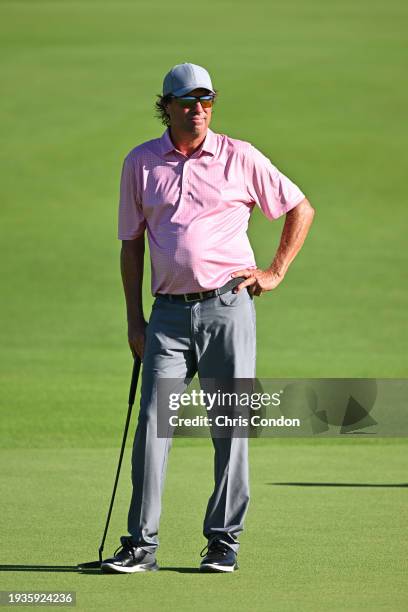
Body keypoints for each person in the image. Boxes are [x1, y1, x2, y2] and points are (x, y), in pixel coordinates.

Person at [101, 63, 315, 574]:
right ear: (167, 106)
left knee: (230, 427)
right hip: (167, 317)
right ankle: (141, 545)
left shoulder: (239, 156)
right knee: (153, 427)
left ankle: (223, 542)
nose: (198, 109)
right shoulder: (141, 162)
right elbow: (131, 245)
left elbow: (299, 208)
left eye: (206, 100)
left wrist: (275, 272)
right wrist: (134, 320)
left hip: (228, 306)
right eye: (187, 101)